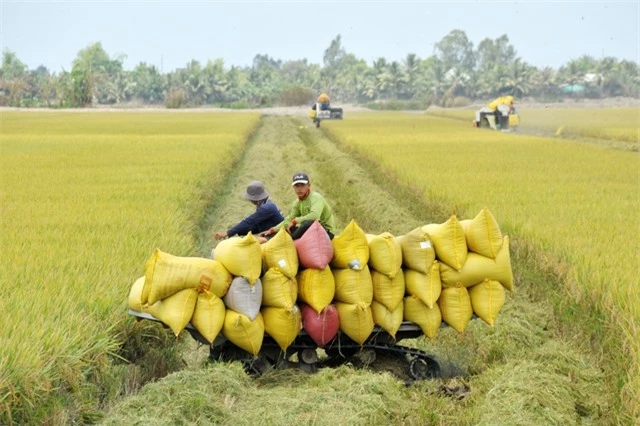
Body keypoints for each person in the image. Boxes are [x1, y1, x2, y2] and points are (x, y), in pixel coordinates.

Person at [260, 172, 337, 240]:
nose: (299, 189)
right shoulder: (298, 202)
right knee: (287, 228)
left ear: (309, 185)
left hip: (326, 232)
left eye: (302, 185)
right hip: (311, 230)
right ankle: (267, 238)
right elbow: (289, 219)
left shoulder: (316, 197)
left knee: (307, 223)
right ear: (293, 187)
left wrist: (296, 221)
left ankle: (290, 239)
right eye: (297, 186)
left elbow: (315, 216)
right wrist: (272, 230)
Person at [214, 180, 284, 242]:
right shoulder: (265, 203)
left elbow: (250, 221)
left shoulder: (266, 207)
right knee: (244, 230)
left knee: (252, 243)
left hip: (279, 234)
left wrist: (227, 233)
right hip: (272, 231)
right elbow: (256, 225)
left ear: (255, 198)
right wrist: (239, 230)